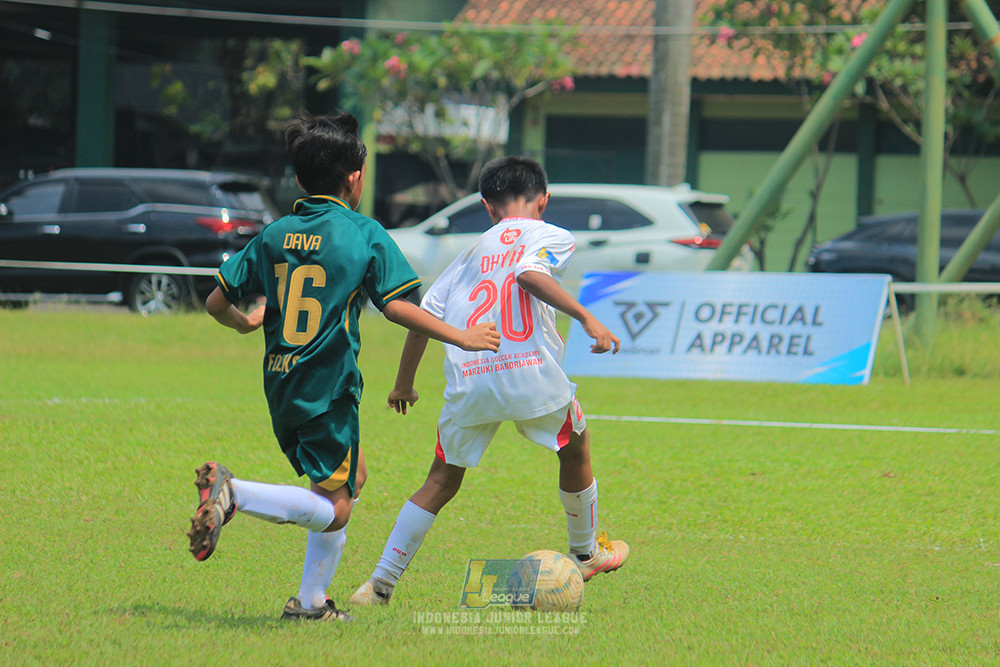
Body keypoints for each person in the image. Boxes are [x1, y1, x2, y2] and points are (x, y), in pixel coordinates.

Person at [187, 111, 501, 623]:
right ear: (355, 177)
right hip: (329, 387)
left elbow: (214, 302)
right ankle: (234, 493)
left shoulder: (274, 233)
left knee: (348, 480)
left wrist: (247, 324)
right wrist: (463, 337)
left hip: (281, 383)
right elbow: (398, 306)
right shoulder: (363, 233)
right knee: (337, 505)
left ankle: (311, 603)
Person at [350, 155, 629, 607]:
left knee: (441, 479)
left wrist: (404, 383)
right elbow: (529, 273)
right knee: (575, 443)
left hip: (471, 378)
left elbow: (422, 318)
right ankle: (586, 553)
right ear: (544, 200)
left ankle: (378, 584)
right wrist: (587, 317)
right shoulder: (550, 233)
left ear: (487, 206)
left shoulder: (468, 253)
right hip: (530, 375)